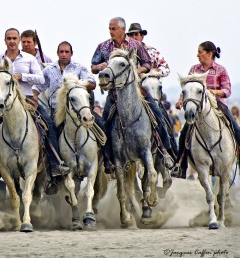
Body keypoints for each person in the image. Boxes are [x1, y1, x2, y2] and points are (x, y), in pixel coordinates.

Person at [91, 17, 175, 173]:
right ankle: (108, 159)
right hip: (114, 93)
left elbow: (147, 64)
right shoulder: (103, 47)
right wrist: (99, 66)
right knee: (104, 124)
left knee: (158, 115)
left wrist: (137, 71)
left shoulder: (135, 45)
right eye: (109, 29)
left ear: (122, 29)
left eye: (113, 29)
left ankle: (165, 151)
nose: (111, 31)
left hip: (137, 90)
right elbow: (93, 66)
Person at [0, 28, 70, 182]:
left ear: (18, 40)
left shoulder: (29, 59)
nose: (12, 41)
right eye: (9, 38)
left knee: (48, 123)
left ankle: (55, 163)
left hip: (28, 100)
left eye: (14, 38)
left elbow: (41, 79)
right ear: (5, 40)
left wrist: (22, 76)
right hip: (5, 102)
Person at [175, 41, 240, 178]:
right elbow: (188, 88)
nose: (197, 55)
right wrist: (181, 100)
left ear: (209, 53)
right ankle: (180, 165)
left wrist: (213, 93)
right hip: (198, 107)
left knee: (235, 127)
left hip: (218, 105)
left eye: (200, 52)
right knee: (184, 132)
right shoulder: (194, 69)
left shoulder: (220, 70)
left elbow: (227, 90)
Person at [127, 23, 178, 161]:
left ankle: (171, 155)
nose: (134, 37)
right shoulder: (126, 54)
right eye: (131, 35)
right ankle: (111, 158)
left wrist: (154, 73)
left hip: (151, 94)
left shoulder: (152, 51)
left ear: (142, 36)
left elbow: (166, 68)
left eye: (136, 34)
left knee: (164, 120)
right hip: (130, 96)